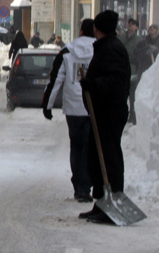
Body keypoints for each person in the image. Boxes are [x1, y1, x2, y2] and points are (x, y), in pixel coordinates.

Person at [78, 10, 131, 225]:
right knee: (96, 158)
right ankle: (101, 202)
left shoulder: (112, 49)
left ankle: (111, 203)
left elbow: (116, 81)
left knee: (107, 158)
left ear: (97, 28)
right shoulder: (107, 47)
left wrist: (93, 84)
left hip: (110, 111)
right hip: (103, 112)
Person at [44, 19, 96, 203]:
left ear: (80, 30)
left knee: (77, 146)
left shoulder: (67, 51)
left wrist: (47, 105)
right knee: (91, 147)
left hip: (74, 107)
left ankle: (79, 187)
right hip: (93, 109)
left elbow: (56, 79)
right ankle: (87, 185)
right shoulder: (100, 49)